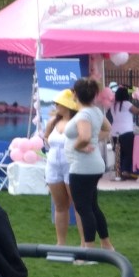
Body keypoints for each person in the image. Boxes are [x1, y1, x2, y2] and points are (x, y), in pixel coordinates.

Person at [65, 78, 114, 253]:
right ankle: (106, 245)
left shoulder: (84, 115)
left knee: (83, 208)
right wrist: (94, 139)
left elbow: (84, 137)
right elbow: (107, 129)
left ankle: (89, 251)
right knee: (92, 206)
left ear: (75, 94)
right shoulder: (96, 111)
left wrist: (79, 146)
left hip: (82, 167)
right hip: (92, 165)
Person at [44, 88, 82, 246]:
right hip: (53, 165)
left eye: (58, 104)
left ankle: (85, 244)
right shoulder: (53, 122)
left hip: (71, 165)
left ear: (67, 106)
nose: (56, 106)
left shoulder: (78, 121)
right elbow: (46, 137)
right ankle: (60, 243)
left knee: (78, 206)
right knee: (60, 205)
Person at [109, 84, 138, 181]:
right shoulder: (126, 104)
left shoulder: (113, 105)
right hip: (126, 131)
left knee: (118, 152)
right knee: (128, 152)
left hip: (114, 132)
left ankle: (119, 172)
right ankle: (125, 171)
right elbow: (137, 111)